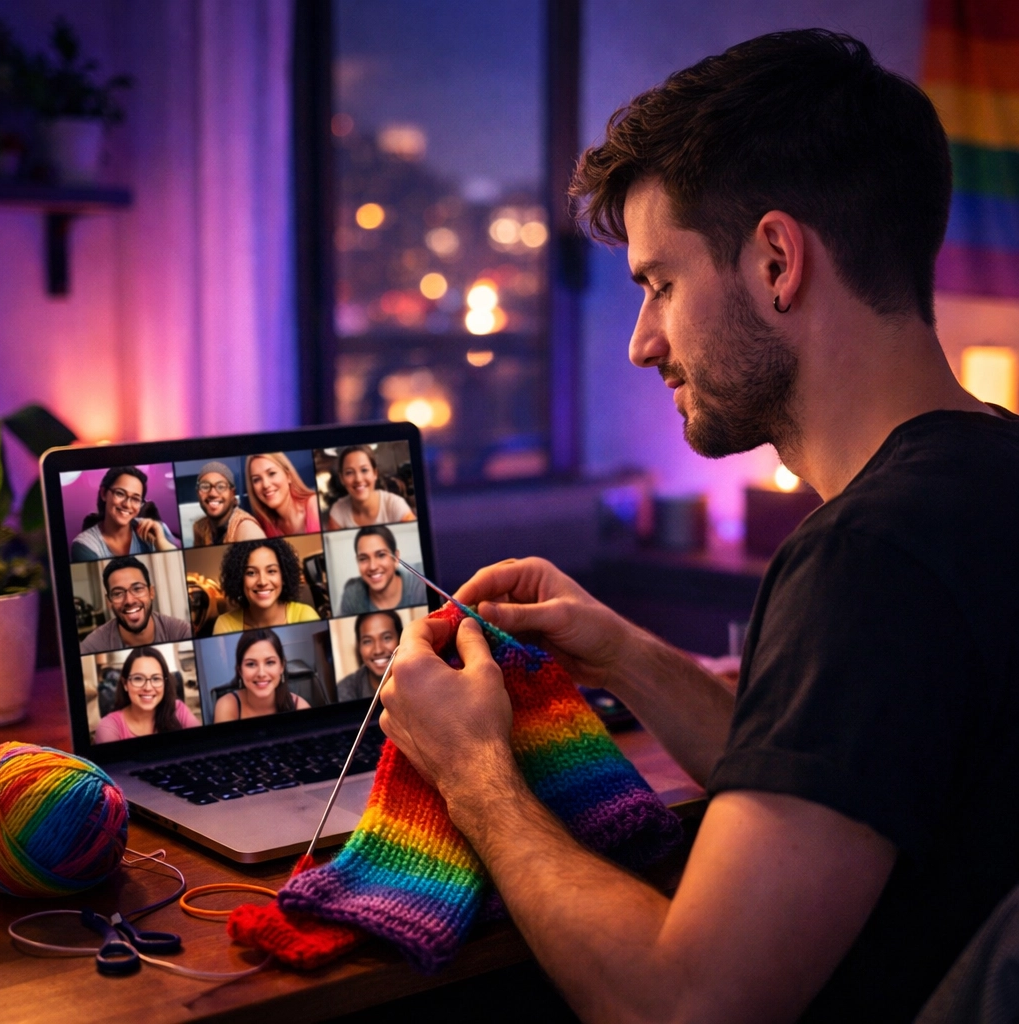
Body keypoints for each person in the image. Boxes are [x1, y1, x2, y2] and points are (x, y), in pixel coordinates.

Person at [377, 30, 1019, 1024]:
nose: (642, 343)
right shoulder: (986, 474)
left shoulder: (867, 559)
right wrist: (627, 656)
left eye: (658, 285)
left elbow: (686, 1004)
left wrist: (469, 772)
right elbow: (840, 784)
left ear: (774, 260)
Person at [80, 555, 191, 654]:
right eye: (118, 593)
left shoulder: (182, 633)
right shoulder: (92, 646)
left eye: (137, 589)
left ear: (151, 592)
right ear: (109, 601)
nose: (129, 600)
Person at [213, 537, 320, 634]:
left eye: (271, 571)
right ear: (240, 579)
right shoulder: (225, 625)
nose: (262, 582)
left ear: (283, 577)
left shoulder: (305, 616)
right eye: (251, 573)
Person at [71, 466, 179, 562]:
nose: (127, 505)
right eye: (120, 493)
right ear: (104, 493)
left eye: (135, 499)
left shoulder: (156, 530)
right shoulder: (84, 545)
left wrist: (160, 542)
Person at [93, 646, 198, 743]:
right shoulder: (109, 727)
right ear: (125, 684)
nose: (148, 688)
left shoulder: (178, 710)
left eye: (156, 678)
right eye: (138, 679)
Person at [212, 628, 310, 722]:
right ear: (240, 671)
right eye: (251, 664)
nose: (261, 673)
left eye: (270, 662)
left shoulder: (300, 706)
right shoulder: (227, 706)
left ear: (282, 666)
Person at [338, 525, 426, 615]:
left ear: (396, 558)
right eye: (363, 558)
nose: (373, 567)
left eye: (381, 555)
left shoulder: (420, 588)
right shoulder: (352, 593)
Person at [326, 446, 416, 529]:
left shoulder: (394, 505)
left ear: (375, 473)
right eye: (349, 472)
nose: (358, 479)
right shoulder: (337, 512)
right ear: (342, 478)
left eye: (364, 470)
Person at [246, 453, 321, 537]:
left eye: (271, 473)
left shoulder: (314, 505)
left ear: (288, 476)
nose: (265, 485)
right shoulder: (263, 525)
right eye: (257, 479)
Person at [190, 461, 264, 545]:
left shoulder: (247, 529)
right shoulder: (199, 528)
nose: (213, 493)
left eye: (221, 486)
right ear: (197, 492)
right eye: (205, 487)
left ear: (232, 493)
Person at [336, 610, 403, 701]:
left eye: (387, 638)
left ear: (401, 639)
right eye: (367, 641)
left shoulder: (418, 680)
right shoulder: (345, 690)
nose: (378, 650)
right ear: (359, 647)